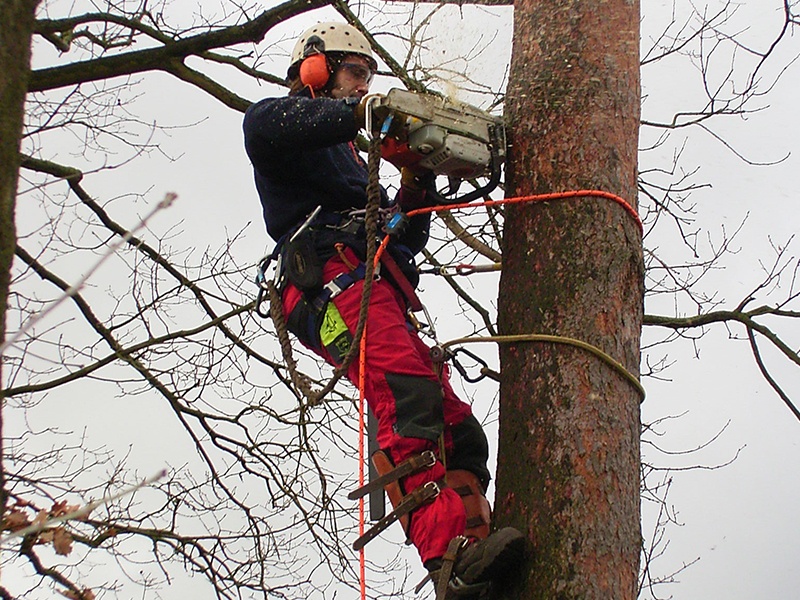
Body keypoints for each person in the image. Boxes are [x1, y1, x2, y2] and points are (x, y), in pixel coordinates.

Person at [243, 21, 523, 598]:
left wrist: (417, 185)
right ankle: (447, 558)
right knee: (405, 395)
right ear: (314, 68)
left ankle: (480, 545)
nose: (362, 85)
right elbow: (283, 125)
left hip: (371, 283)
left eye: (370, 76)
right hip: (325, 286)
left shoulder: (350, 155)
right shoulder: (276, 123)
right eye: (354, 72)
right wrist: (373, 110)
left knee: (458, 430)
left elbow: (398, 239)